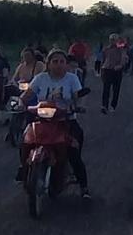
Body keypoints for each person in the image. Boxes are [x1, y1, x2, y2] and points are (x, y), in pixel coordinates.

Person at [19, 49, 90, 199]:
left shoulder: (71, 79)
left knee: (74, 151)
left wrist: (77, 105)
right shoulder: (40, 78)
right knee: (25, 140)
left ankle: (84, 186)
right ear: (48, 63)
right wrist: (20, 103)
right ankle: (24, 169)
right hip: (42, 120)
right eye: (55, 61)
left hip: (66, 120)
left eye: (62, 62)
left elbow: (79, 96)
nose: (58, 65)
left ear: (66, 64)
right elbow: (26, 96)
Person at [100, 34, 127, 114]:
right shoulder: (106, 49)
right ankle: (104, 105)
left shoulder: (121, 49)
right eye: (111, 39)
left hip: (117, 71)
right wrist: (102, 69)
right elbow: (103, 60)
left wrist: (120, 65)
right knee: (106, 88)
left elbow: (124, 58)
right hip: (107, 70)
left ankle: (113, 105)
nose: (112, 41)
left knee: (116, 89)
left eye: (114, 39)